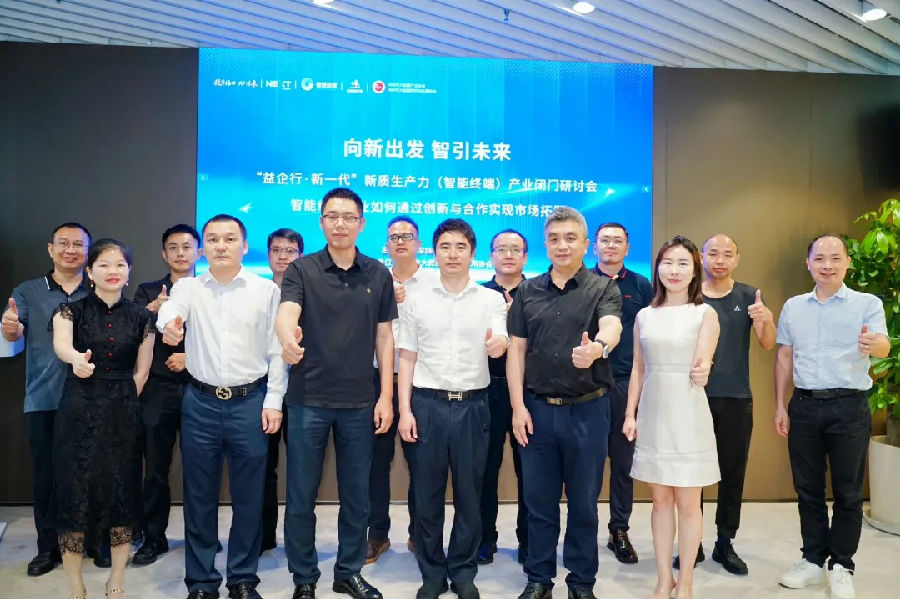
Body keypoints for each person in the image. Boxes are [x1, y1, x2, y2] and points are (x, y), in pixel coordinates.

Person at [158, 214, 286, 599]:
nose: (221, 246)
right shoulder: (189, 287)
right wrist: (170, 324)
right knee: (199, 497)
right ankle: (201, 582)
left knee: (249, 497)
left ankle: (242, 578)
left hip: (251, 402)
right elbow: (171, 310)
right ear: (203, 249)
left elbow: (277, 350)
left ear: (244, 246)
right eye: (213, 239)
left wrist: (274, 400)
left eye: (230, 239)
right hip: (200, 403)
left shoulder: (265, 291)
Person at [277, 188, 396, 599]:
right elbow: (287, 313)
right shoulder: (302, 269)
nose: (340, 223)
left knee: (357, 495)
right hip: (308, 398)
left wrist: (386, 397)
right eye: (332, 216)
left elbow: (385, 338)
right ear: (321, 222)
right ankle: (304, 577)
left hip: (360, 401)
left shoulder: (377, 273)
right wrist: (287, 339)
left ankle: (348, 572)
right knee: (300, 496)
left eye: (348, 217)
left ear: (361, 223)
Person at [507, 206, 623, 599]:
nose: (562, 245)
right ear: (546, 243)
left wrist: (598, 348)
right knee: (538, 503)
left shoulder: (603, 288)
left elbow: (612, 325)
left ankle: (581, 582)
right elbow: (516, 352)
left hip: (588, 411)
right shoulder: (528, 291)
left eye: (571, 238)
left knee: (584, 504)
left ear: (585, 243)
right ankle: (539, 578)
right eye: (554, 238)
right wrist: (518, 408)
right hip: (537, 411)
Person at [397, 218, 508, 599]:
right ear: (434, 252)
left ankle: (462, 570)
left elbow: (500, 336)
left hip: (474, 406)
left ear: (472, 253)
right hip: (427, 405)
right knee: (426, 495)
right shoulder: (416, 301)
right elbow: (407, 357)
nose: (453, 254)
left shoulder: (490, 300)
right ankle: (431, 571)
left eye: (461, 246)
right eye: (445, 246)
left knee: (469, 495)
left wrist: (498, 345)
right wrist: (405, 410)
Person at [773, 234, 889, 599]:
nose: (827, 265)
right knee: (807, 488)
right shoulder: (794, 306)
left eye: (835, 258)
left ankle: (841, 565)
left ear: (848, 262)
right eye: (820, 258)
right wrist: (780, 404)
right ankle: (812, 559)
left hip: (849, 406)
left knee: (848, 492)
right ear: (808, 263)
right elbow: (784, 356)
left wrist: (876, 345)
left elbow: (883, 345)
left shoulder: (867, 304)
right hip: (804, 405)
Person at [50, 238, 155, 599]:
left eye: (120, 265)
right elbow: (62, 345)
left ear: (129, 272)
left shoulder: (142, 318)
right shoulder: (70, 311)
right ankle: (75, 584)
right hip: (78, 409)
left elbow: (142, 372)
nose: (113, 271)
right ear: (90, 272)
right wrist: (75, 360)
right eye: (104, 265)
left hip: (123, 413)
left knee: (122, 491)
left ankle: (116, 578)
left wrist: (122, 402)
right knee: (75, 493)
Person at [623, 235, 721, 599]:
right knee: (660, 501)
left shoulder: (704, 314)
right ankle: (664, 580)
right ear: (657, 269)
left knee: (688, 503)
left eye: (683, 263)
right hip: (654, 412)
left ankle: (687, 582)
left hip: (688, 412)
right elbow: (638, 368)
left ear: (695, 270)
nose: (674, 270)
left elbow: (705, 358)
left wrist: (703, 370)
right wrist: (630, 413)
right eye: (668, 262)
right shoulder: (644, 316)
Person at [672, 233, 775, 575]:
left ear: (736, 259)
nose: (719, 260)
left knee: (732, 473)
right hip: (692, 396)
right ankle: (693, 544)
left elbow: (767, 344)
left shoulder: (749, 296)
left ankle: (725, 543)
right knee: (691, 475)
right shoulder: (689, 295)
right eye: (713, 253)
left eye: (727, 254)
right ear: (701, 258)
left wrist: (765, 319)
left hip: (735, 398)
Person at [2, 222, 92, 577]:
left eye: (78, 245)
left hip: (92, 399)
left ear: (88, 252)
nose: (71, 250)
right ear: (50, 249)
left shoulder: (98, 287)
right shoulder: (28, 291)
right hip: (43, 399)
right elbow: (14, 332)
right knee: (47, 478)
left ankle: (91, 542)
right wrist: (11, 330)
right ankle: (47, 548)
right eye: (63, 243)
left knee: (89, 474)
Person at [366, 216, 436, 564]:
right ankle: (376, 535)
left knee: (420, 464)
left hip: (420, 383)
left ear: (419, 243)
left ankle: (418, 534)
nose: (400, 241)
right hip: (376, 381)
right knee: (375, 464)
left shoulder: (436, 281)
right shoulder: (374, 279)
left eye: (407, 236)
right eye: (394, 237)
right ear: (386, 244)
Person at [132, 224, 203, 566]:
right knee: (156, 468)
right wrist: (151, 309)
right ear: (164, 254)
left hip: (199, 388)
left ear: (198, 252)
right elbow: (130, 333)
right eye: (173, 247)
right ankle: (153, 537)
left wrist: (190, 357)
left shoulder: (208, 289)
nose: (180, 253)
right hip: (157, 389)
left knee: (200, 469)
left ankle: (199, 538)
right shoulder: (147, 290)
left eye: (187, 247)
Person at [591, 222, 652, 565]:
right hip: (587, 385)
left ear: (627, 248)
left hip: (627, 384)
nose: (611, 245)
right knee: (586, 464)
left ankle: (619, 530)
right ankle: (584, 531)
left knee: (623, 463)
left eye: (618, 241)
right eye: (605, 240)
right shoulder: (582, 282)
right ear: (594, 246)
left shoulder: (641, 285)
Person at [477, 228, 529, 566]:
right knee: (485, 468)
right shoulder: (479, 294)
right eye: (501, 249)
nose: (508, 255)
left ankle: (528, 539)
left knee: (530, 471)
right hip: (487, 389)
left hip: (528, 392)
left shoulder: (538, 292)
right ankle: (485, 538)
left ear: (525, 256)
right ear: (491, 255)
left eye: (515, 249)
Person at [262, 227, 303, 554]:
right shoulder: (256, 293)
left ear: (300, 256)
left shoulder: (310, 293)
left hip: (302, 390)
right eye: (277, 250)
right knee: (265, 465)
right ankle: (264, 535)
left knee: (302, 469)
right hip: (263, 392)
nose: (283, 257)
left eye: (290, 251)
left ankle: (298, 540)